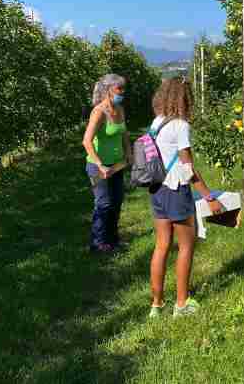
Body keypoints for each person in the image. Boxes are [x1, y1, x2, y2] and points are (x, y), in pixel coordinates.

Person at [148, 78, 222, 318]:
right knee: (186, 246)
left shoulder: (156, 122)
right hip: (176, 190)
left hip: (156, 188)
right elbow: (188, 168)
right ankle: (182, 303)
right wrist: (209, 197)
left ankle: (156, 305)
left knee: (161, 245)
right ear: (184, 98)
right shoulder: (180, 126)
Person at [82, 74, 131, 253]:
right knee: (103, 203)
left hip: (117, 165)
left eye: (123, 88)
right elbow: (86, 141)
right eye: (119, 89)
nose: (122, 92)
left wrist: (129, 153)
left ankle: (113, 239)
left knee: (117, 202)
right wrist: (100, 164)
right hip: (98, 167)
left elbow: (124, 134)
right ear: (108, 90)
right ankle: (98, 242)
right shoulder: (98, 112)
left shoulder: (119, 109)